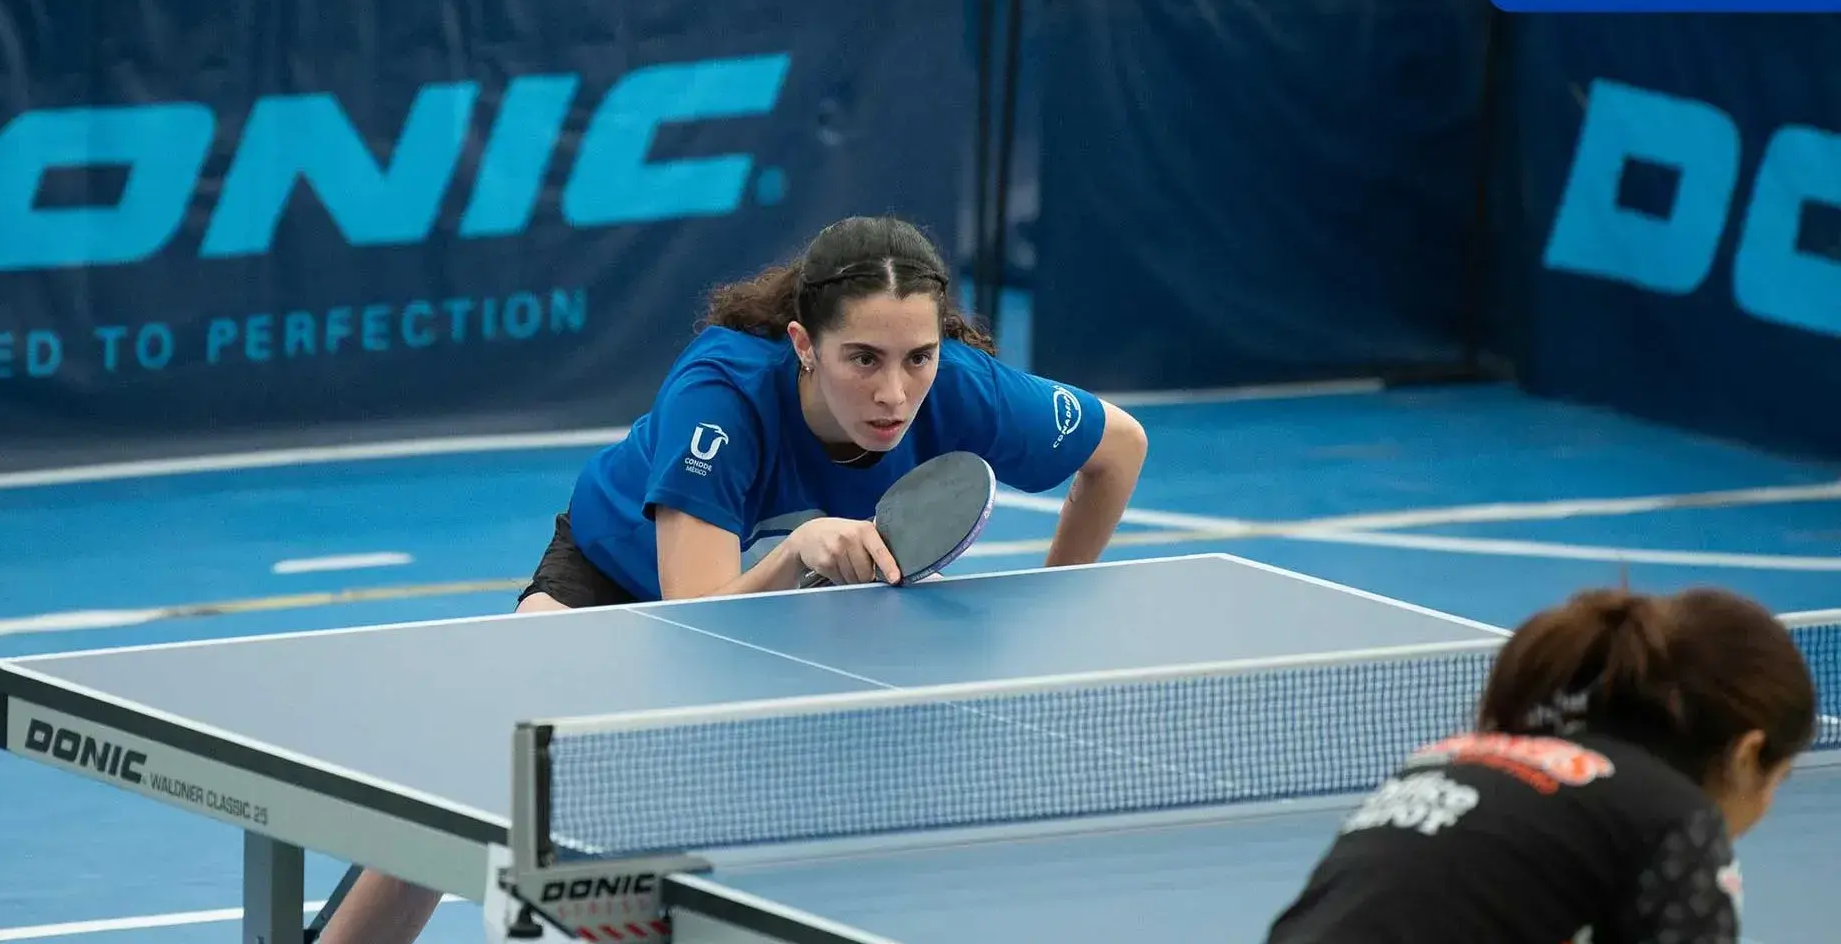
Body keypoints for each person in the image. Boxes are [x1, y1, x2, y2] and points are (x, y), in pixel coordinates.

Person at [315, 215, 1149, 943]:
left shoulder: (962, 391)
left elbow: (1119, 451)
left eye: (917, 357)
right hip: (619, 581)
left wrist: (1050, 602)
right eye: (862, 357)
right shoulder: (721, 395)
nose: (894, 392)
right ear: (803, 345)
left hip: (804, 620)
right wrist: (793, 554)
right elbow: (693, 621)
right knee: (490, 771)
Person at [1265, 586, 1817, 944]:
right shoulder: (1673, 819)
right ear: (1747, 755)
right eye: (1779, 780)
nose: (1767, 807)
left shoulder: (1453, 758)